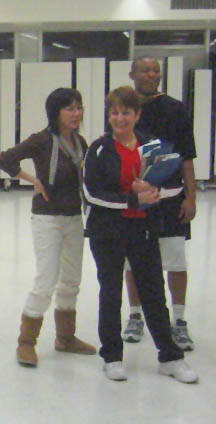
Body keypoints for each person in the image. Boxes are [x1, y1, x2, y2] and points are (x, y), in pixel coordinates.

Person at [82, 86, 197, 383]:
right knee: (110, 292)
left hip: (143, 228)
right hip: (107, 232)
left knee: (153, 292)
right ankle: (112, 356)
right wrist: (132, 199)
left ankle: (170, 357)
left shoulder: (151, 146)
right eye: (114, 112)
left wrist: (155, 192)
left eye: (126, 112)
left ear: (137, 115)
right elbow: (92, 194)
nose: (119, 118)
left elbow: (172, 184)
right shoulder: (99, 149)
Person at [0, 88, 95, 367]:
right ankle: (26, 342)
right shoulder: (42, 140)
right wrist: (31, 179)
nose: (76, 114)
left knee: (72, 280)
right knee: (46, 280)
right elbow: (4, 159)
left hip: (74, 218)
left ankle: (66, 337)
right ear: (56, 112)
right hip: (47, 220)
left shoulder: (80, 143)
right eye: (70, 108)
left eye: (79, 107)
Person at [121, 56, 197, 352]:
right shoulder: (125, 111)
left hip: (171, 200)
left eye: (156, 70)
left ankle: (178, 321)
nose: (152, 74)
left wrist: (190, 196)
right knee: (133, 260)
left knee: (176, 259)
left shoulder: (176, 109)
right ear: (133, 74)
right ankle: (136, 316)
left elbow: (187, 156)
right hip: (136, 200)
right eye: (145, 70)